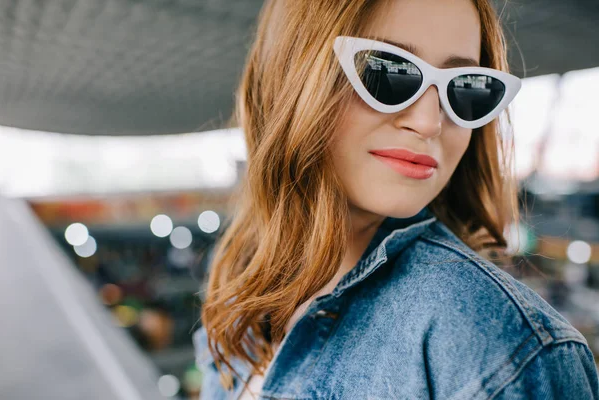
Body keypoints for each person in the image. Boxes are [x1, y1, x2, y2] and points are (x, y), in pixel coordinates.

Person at [193, 0, 599, 399]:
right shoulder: (240, 274)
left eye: (465, 87)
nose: (428, 122)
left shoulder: (496, 343)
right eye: (386, 71)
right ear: (288, 75)